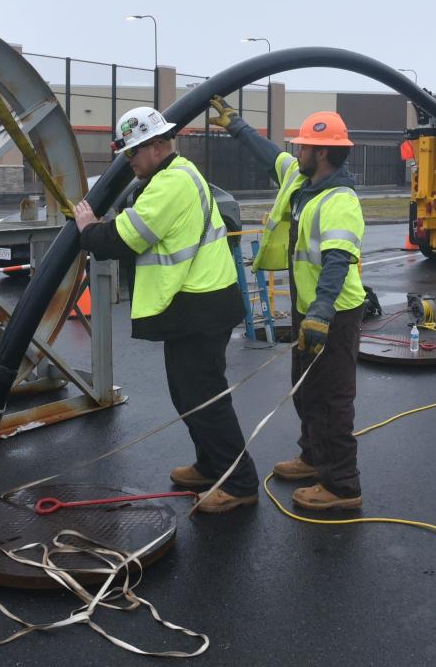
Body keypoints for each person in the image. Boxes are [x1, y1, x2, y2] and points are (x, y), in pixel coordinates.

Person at [73, 106, 258, 512]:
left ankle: (239, 482)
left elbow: (123, 241)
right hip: (198, 303)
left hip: (200, 306)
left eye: (134, 151)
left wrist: (88, 230)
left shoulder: (169, 185)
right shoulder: (177, 174)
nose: (129, 160)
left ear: (157, 146)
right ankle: (212, 465)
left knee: (204, 398)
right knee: (189, 395)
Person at [209, 95, 366, 510]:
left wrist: (319, 313)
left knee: (332, 400)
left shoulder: (339, 202)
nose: (296, 151)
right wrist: (237, 126)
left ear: (323, 152)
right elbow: (270, 157)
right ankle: (315, 458)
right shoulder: (302, 183)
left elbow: (337, 261)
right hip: (309, 310)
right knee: (306, 391)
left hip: (333, 314)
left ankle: (342, 486)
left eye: (303, 147)